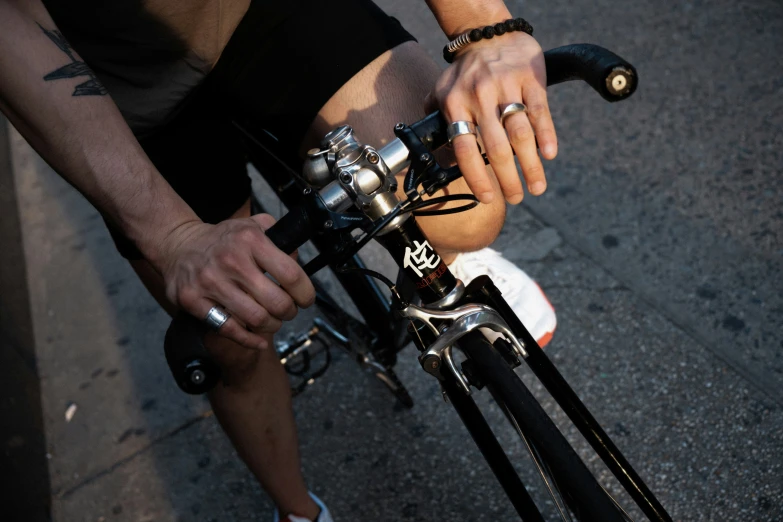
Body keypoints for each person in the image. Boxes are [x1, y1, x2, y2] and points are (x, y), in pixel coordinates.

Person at [0, 0, 559, 520]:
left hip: (273, 11)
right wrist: (169, 236)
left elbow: (484, 36)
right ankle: (298, 512)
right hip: (121, 85)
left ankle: (444, 256)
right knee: (230, 336)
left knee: (464, 205)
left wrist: (484, 30)